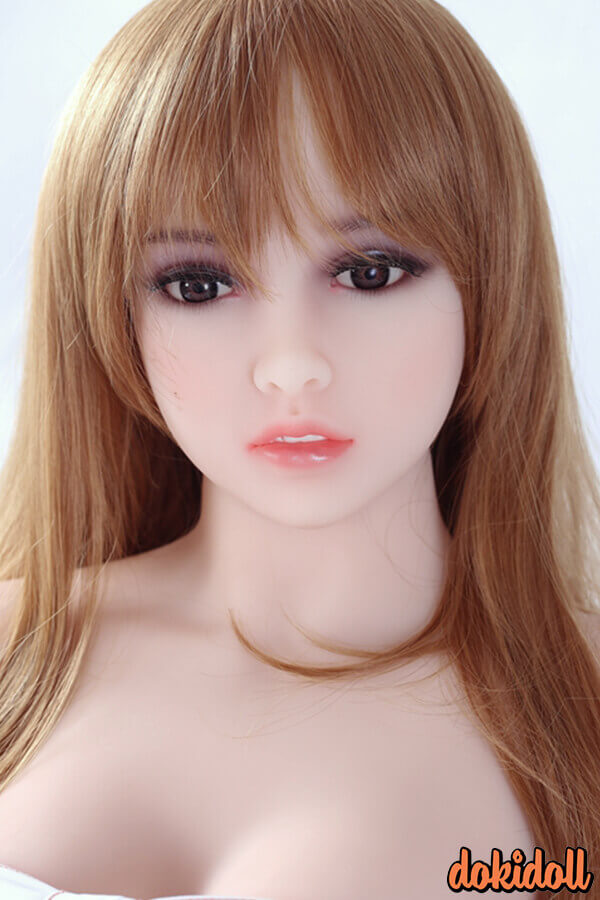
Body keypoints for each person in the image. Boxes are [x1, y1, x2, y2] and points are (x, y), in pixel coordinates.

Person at [0, 0, 599, 898]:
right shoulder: (17, 651)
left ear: (491, 281)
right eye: (198, 284)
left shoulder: (582, 706)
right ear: (112, 313)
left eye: (369, 272)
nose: (290, 366)